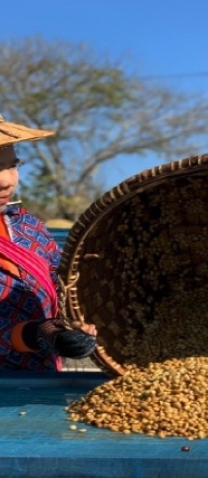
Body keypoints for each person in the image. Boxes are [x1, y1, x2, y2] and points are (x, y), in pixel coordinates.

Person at [0, 115, 96, 371]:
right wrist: (38, 333)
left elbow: (61, 274)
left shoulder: (26, 225)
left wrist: (76, 321)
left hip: (40, 385)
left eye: (12, 165)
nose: (6, 180)